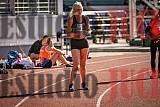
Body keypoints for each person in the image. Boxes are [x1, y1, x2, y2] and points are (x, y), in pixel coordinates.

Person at [67, 1, 91, 91]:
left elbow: (89, 31)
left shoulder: (85, 18)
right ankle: (71, 84)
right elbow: (68, 34)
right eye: (77, 9)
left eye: (80, 9)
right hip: (75, 43)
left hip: (84, 43)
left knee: (83, 65)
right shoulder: (71, 19)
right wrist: (76, 35)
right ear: (74, 10)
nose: (79, 11)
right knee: (76, 65)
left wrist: (85, 33)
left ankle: (84, 83)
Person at [145, 9, 160, 79]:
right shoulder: (154, 20)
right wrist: (149, 36)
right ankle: (153, 73)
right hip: (154, 39)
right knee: (153, 57)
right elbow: (147, 29)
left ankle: (159, 73)